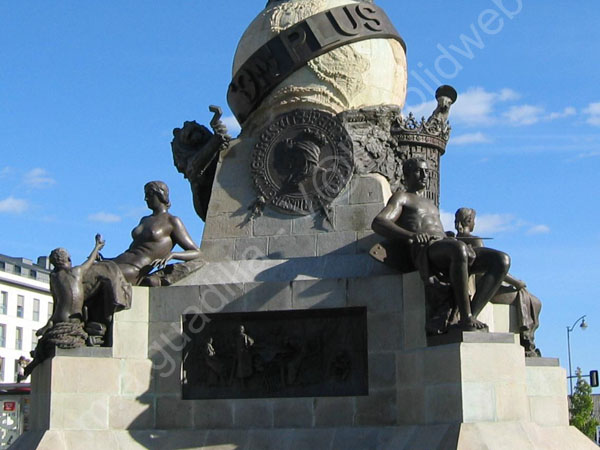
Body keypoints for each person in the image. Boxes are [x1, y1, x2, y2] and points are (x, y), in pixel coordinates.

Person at [372, 158, 510, 331]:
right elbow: (379, 222)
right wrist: (412, 236)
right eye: (418, 171)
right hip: (427, 249)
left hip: (446, 246)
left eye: (426, 171)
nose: (424, 175)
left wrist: (448, 236)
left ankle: (469, 316)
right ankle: (466, 317)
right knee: (458, 250)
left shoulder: (431, 204)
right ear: (406, 174)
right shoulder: (402, 197)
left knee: (501, 260)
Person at [455, 207, 542, 355]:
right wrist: (516, 282)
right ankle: (527, 342)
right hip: (488, 284)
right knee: (534, 301)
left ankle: (527, 340)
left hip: (480, 282)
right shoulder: (475, 240)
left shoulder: (455, 240)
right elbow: (491, 268)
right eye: (474, 220)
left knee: (528, 299)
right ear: (469, 221)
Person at [112, 181, 202, 286]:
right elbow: (133, 249)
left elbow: (196, 252)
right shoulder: (144, 220)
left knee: (102, 275)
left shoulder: (172, 221)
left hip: (136, 270)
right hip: (118, 261)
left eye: (149, 195)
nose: (145, 199)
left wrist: (172, 255)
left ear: (160, 195)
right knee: (91, 269)